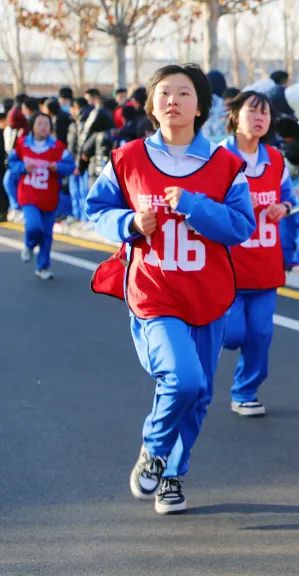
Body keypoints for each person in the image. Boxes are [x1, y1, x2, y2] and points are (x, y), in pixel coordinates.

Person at [86, 63, 255, 515]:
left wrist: (196, 205)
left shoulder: (225, 165)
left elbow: (241, 226)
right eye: (164, 92)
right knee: (183, 378)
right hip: (154, 291)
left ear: (200, 107)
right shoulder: (127, 159)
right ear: (151, 103)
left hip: (208, 295)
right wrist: (128, 223)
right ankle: (154, 449)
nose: (173, 100)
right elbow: (96, 209)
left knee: (199, 396)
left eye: (184, 93)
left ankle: (172, 475)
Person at [222, 90, 294, 417]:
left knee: (261, 334)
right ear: (235, 116)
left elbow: (289, 195)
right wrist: (236, 205)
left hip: (265, 263)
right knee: (233, 334)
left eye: (264, 113)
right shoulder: (218, 157)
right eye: (252, 111)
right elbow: (201, 202)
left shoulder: (275, 159)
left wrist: (283, 207)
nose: (259, 118)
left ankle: (245, 392)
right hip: (227, 265)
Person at [8, 111, 75, 279]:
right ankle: (29, 245)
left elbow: (70, 166)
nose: (43, 127)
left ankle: (42, 267)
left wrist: (58, 167)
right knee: (33, 227)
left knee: (46, 235)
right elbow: (12, 163)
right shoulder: (22, 144)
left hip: (50, 198)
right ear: (32, 126)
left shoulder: (58, 147)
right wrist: (23, 168)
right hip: (28, 195)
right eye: (39, 123)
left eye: (46, 124)